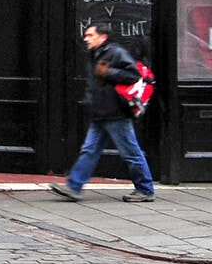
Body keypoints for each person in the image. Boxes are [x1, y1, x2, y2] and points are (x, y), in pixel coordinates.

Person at [51, 23, 155, 203]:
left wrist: (109, 71)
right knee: (89, 150)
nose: (86, 38)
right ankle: (74, 186)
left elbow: (133, 75)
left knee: (131, 151)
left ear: (102, 37)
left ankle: (145, 189)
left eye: (90, 35)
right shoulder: (95, 53)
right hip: (100, 112)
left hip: (116, 113)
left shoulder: (115, 52)